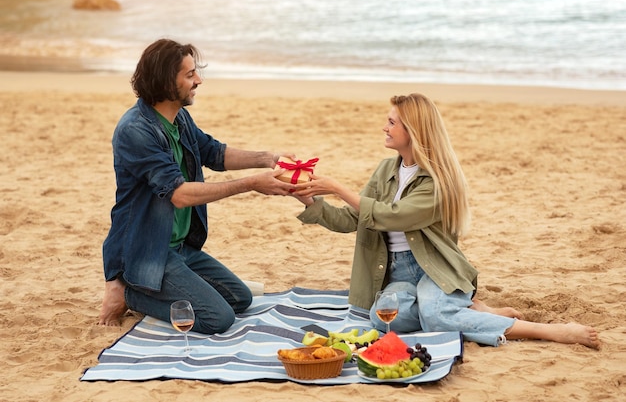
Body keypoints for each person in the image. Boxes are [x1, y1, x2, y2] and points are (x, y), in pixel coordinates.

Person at [291, 93, 600, 349]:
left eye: (391, 122)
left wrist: (337, 188)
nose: (384, 127)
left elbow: (393, 216)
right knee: (384, 319)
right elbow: (350, 220)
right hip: (394, 271)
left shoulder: (436, 181)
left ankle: (549, 331)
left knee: (436, 316)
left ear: (413, 130)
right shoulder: (385, 171)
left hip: (433, 267)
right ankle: (471, 309)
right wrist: (305, 195)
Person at [98, 39, 296, 333]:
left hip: (178, 247)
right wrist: (252, 184)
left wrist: (269, 159)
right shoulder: (135, 130)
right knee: (218, 318)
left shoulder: (179, 118)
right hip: (147, 251)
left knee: (239, 299)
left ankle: (153, 288)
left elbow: (215, 153)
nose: (199, 80)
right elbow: (179, 194)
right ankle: (128, 292)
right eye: (190, 75)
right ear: (166, 80)